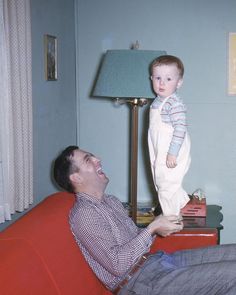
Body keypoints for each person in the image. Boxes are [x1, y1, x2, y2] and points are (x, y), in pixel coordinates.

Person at [53, 146, 236, 295]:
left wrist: (160, 225)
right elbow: (117, 265)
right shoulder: (84, 214)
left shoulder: (111, 201)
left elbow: (134, 241)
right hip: (138, 283)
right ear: (76, 178)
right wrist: (152, 228)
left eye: (92, 156)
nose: (97, 159)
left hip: (155, 262)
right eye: (88, 160)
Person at [148, 55, 191, 217]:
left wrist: (173, 152)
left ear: (178, 82)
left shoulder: (174, 103)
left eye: (168, 79)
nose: (161, 83)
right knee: (160, 182)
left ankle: (170, 217)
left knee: (166, 184)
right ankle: (181, 202)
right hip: (159, 148)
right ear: (151, 78)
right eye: (158, 78)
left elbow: (180, 129)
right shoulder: (158, 101)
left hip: (172, 150)